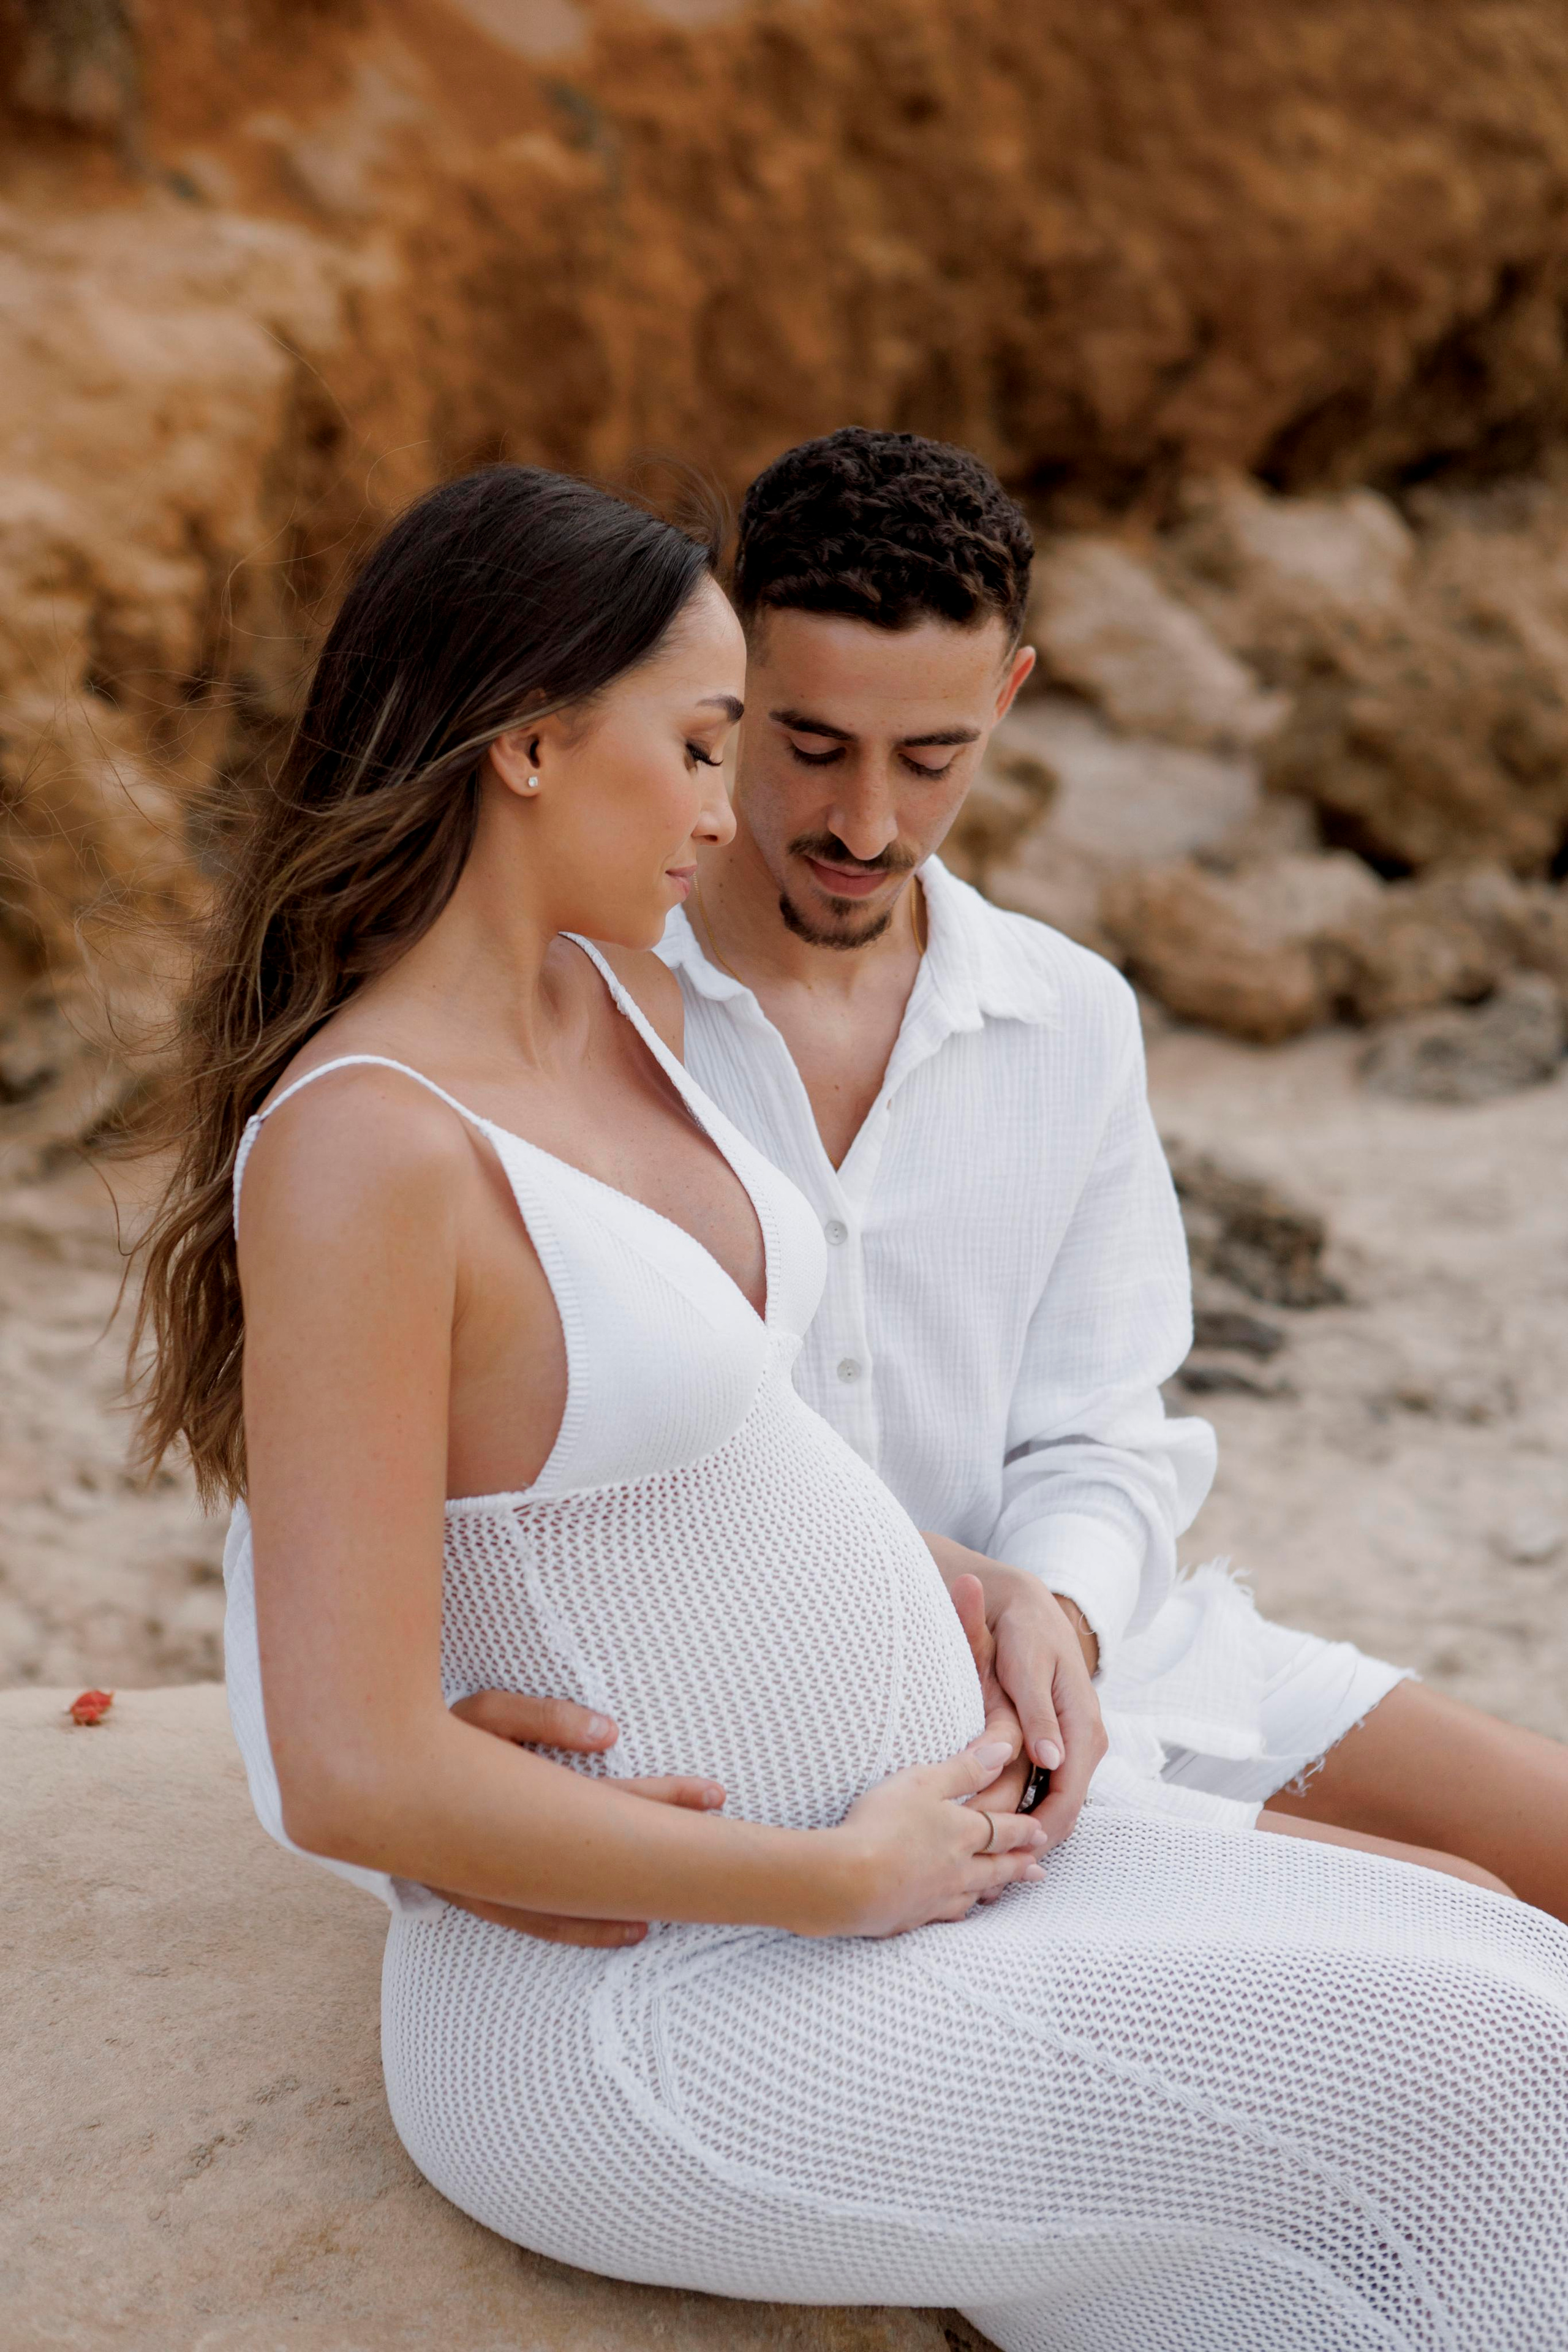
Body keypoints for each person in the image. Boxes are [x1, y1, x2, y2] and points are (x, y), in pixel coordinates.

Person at [139, 464, 1568, 2351]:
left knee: (1503, 1986)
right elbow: (346, 1738)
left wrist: (975, 1578)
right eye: (718, 746)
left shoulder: (610, 1007)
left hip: (933, 1828)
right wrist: (822, 1874)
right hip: (681, 1987)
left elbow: (761, 1442)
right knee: (1488, 2084)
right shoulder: (365, 1150)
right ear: (533, 743)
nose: (746, 815)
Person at [461, 429, 1568, 1943]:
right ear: (721, 700)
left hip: (1092, 1663)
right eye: (806, 745)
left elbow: (1102, 1429)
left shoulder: (1067, 1014)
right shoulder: (572, 1014)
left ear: (1007, 698)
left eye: (931, 761)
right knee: (1469, 1924)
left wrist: (1056, 1609)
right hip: (851, 1744)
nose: (866, 826)